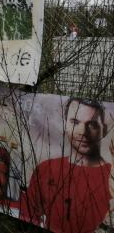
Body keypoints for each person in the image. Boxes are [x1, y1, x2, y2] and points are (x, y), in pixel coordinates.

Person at [20, 97, 113, 233]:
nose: (83, 132)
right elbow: (28, 214)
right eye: (75, 122)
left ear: (103, 130)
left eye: (92, 124)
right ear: (65, 126)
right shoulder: (46, 169)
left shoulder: (112, 178)